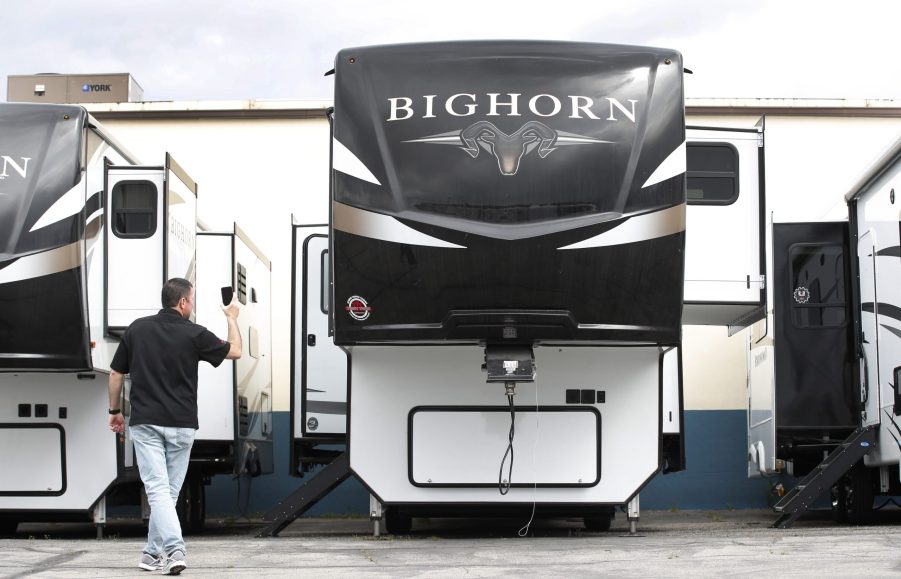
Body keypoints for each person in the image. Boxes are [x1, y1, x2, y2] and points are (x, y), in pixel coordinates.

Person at [107, 278, 241, 575]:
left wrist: (115, 410)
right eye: (191, 300)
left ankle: (152, 553)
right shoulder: (194, 333)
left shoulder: (137, 328)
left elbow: (116, 373)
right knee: (165, 493)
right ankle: (173, 550)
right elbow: (236, 351)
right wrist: (231, 318)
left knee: (159, 492)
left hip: (145, 423)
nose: (191, 306)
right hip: (181, 425)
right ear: (182, 303)